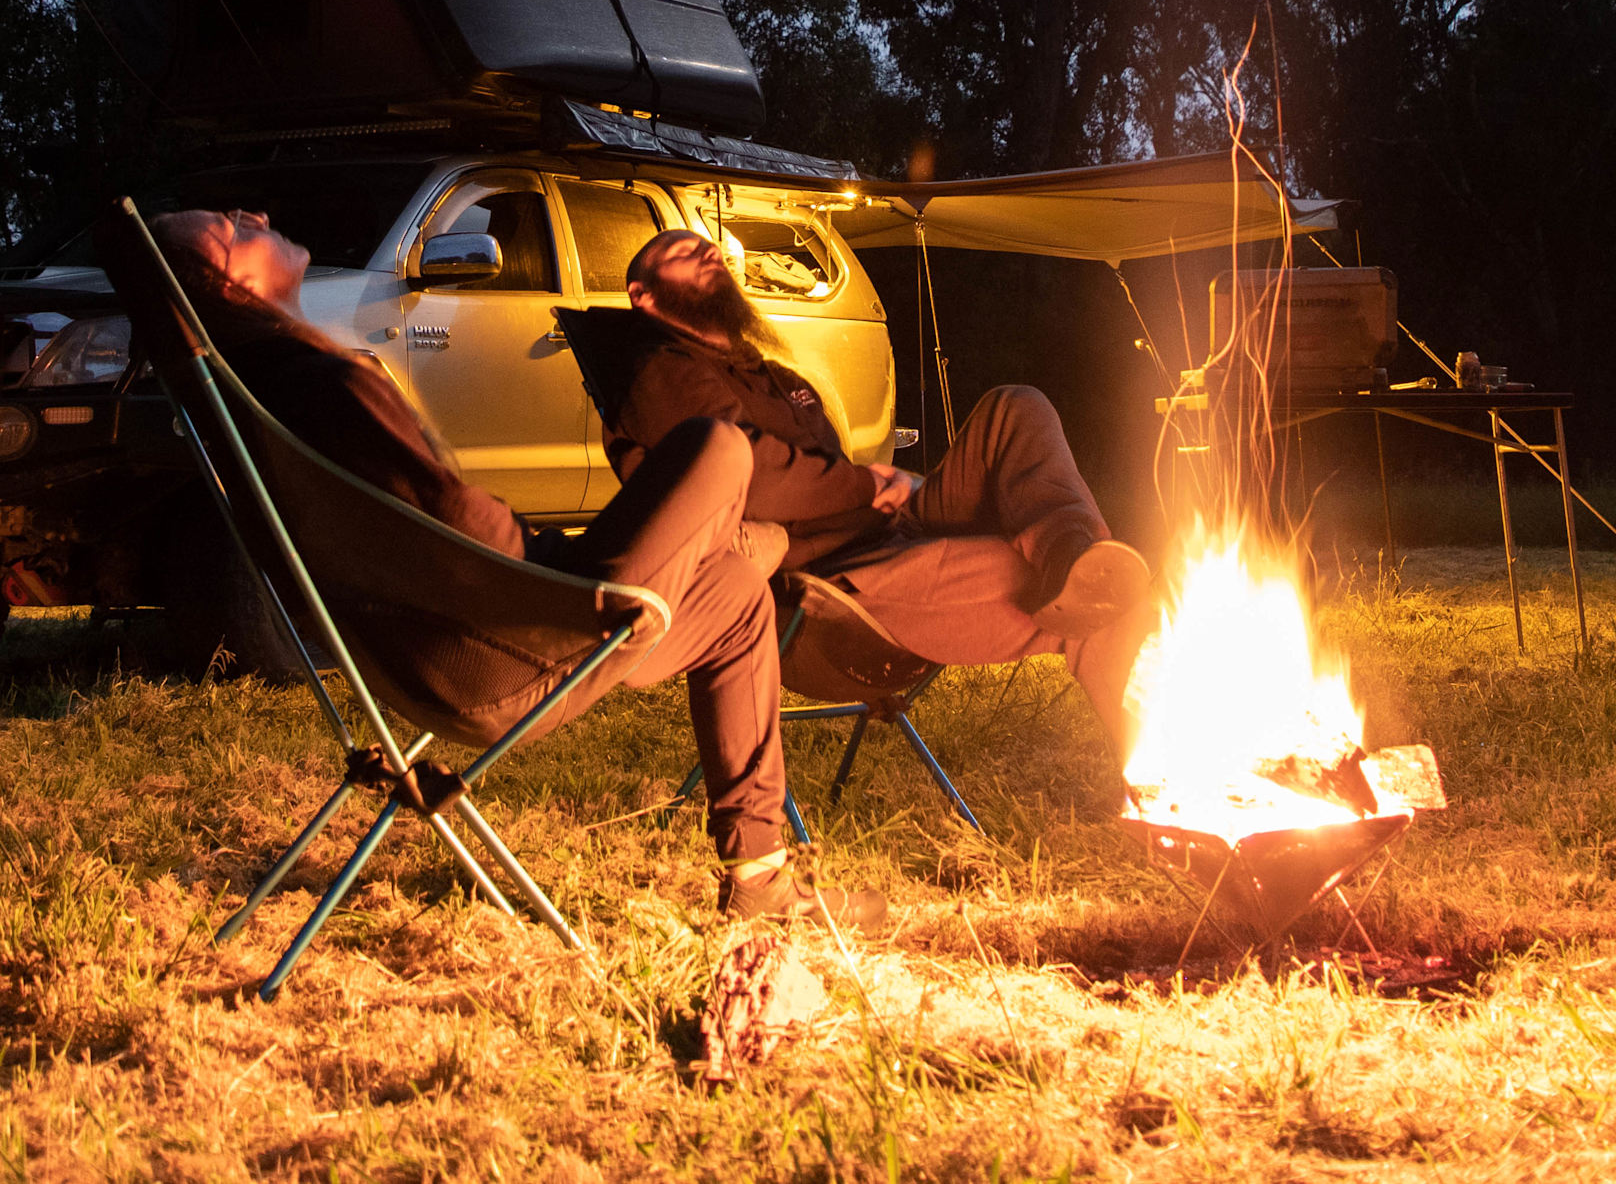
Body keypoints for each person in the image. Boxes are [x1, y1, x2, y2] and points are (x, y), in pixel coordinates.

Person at [150, 209, 813, 921]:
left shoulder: (266, 392)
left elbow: (421, 533)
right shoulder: (321, 389)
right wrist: (548, 565)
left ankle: (758, 875)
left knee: (739, 593)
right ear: (232, 280)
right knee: (714, 447)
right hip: (507, 648)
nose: (256, 215)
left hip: (440, 653)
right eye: (230, 225)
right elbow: (457, 523)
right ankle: (732, 545)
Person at [612, 227, 1159, 750]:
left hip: (886, 533)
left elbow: (823, 468)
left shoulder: (774, 375)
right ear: (645, 294)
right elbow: (742, 478)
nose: (707, 251)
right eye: (682, 251)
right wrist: (864, 486)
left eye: (707, 246)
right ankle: (1160, 784)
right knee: (1092, 603)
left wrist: (885, 492)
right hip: (828, 589)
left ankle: (1067, 549)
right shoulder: (662, 374)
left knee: (1015, 408)